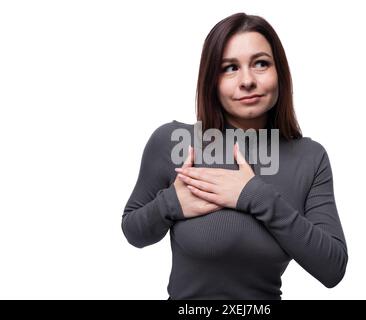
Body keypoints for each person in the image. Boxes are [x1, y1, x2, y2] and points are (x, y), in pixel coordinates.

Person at [121, 12, 348, 300]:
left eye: (261, 64)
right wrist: (171, 204)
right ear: (211, 81)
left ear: (281, 72)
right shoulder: (174, 142)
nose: (247, 81)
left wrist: (254, 195)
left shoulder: (309, 158)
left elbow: (333, 268)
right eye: (229, 68)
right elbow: (133, 232)